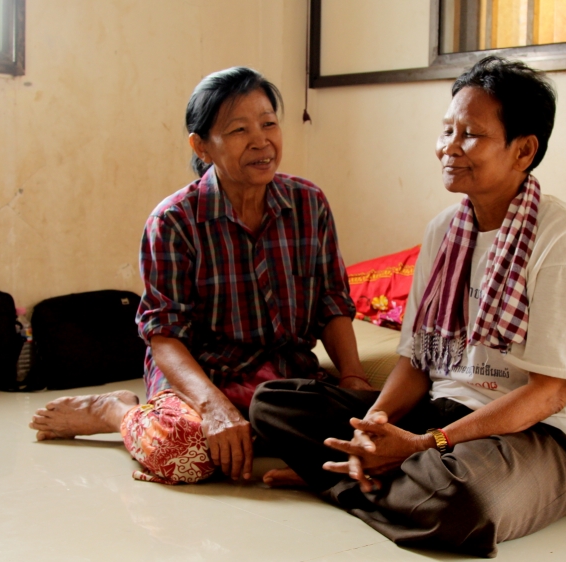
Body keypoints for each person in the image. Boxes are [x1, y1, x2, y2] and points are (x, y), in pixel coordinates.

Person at [249, 56, 566, 558]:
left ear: (524, 150)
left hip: (546, 434)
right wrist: (373, 431)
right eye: (447, 129)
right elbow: (417, 364)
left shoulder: (559, 235)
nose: (449, 147)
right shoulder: (444, 230)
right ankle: (370, 473)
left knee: (467, 503)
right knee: (273, 402)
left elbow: (550, 393)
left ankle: (338, 482)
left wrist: (427, 445)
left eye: (471, 134)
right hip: (444, 412)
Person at [29, 67, 370, 485]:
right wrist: (212, 406)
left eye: (268, 123)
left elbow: (332, 303)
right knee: (184, 453)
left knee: (379, 431)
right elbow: (164, 334)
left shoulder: (308, 203)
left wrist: (352, 378)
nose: (262, 141)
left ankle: (251, 428)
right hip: (201, 375)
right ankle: (118, 411)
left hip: (283, 377)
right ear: (201, 146)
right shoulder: (173, 220)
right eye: (239, 129)